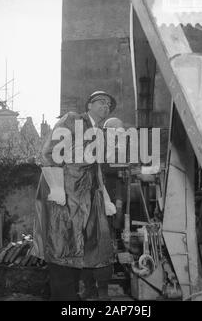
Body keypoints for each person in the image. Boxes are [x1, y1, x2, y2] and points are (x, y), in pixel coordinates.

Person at [33, 91, 117, 301]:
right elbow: (49, 152)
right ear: (89, 105)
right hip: (65, 196)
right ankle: (63, 299)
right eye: (101, 102)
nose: (105, 107)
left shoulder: (97, 133)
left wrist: (105, 199)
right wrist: (56, 187)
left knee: (82, 250)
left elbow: (96, 170)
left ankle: (73, 298)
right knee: (62, 246)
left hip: (86, 199)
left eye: (108, 105)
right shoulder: (73, 119)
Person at [80, 117, 126, 300]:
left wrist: (119, 204)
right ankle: (91, 288)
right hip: (95, 202)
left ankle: (102, 290)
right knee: (89, 246)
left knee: (107, 248)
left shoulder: (121, 151)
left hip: (113, 202)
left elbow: (122, 178)